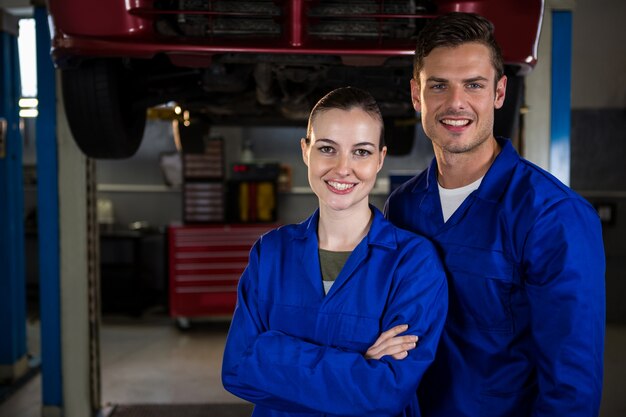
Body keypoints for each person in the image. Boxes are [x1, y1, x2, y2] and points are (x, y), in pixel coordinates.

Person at [384, 12, 606, 417]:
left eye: (474, 85)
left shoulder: (554, 216)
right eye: (439, 85)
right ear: (416, 95)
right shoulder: (402, 206)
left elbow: (571, 383)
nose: (455, 103)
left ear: (499, 93)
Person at [222, 86, 448, 417]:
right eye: (327, 148)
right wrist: (361, 364)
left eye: (361, 152)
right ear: (305, 151)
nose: (343, 168)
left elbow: (386, 393)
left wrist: (273, 356)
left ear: (380, 159)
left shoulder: (413, 263)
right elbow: (237, 369)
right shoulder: (270, 253)